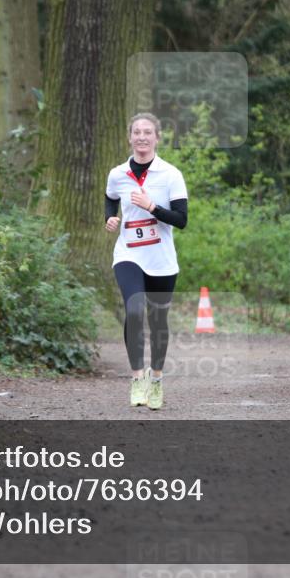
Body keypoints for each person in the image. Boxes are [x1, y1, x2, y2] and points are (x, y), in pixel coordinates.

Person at [105, 113, 188, 410]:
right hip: (128, 253)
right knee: (135, 309)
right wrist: (110, 218)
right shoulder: (117, 173)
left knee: (158, 320)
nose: (142, 137)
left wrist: (152, 207)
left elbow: (181, 220)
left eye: (147, 132)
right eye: (137, 132)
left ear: (157, 137)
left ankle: (156, 380)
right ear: (129, 137)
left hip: (161, 258)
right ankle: (137, 378)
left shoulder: (170, 174)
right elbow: (110, 197)